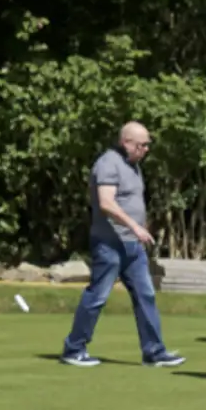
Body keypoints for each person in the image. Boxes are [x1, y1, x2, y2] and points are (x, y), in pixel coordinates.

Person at [61, 121, 187, 368]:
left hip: (132, 246)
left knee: (146, 295)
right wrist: (135, 226)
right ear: (126, 142)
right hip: (109, 244)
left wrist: (141, 226)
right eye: (141, 145)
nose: (145, 150)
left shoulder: (134, 166)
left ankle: (154, 352)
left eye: (148, 145)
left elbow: (131, 201)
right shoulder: (108, 163)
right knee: (97, 295)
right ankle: (74, 349)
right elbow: (106, 203)